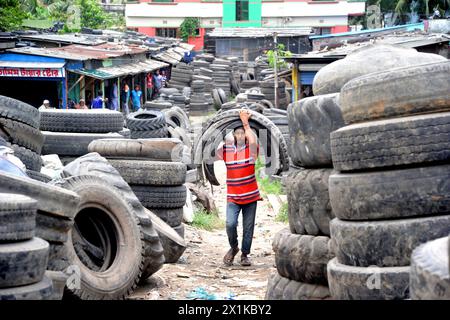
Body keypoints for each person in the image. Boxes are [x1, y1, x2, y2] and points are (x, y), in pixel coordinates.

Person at [216, 108, 261, 267]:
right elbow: (210, 150)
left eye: (243, 133)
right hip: (233, 197)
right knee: (230, 224)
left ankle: (244, 255)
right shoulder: (227, 151)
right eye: (238, 133)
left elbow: (253, 140)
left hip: (250, 197)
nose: (241, 136)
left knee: (248, 228)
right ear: (233, 135)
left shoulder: (251, 150)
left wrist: (245, 123)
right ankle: (234, 248)